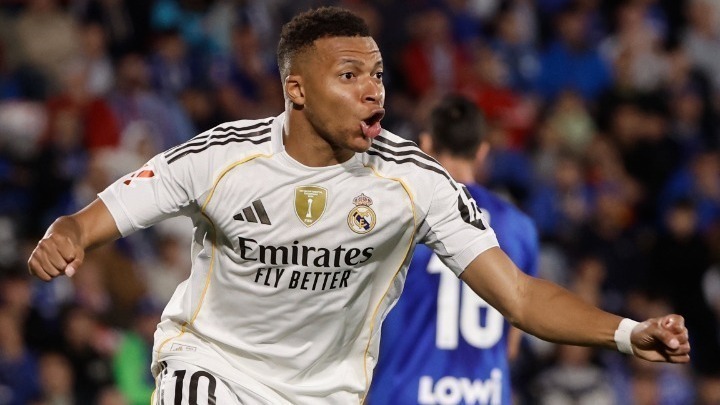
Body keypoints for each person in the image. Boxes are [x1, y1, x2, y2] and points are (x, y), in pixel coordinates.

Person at [27, 6, 690, 405]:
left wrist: (628, 333)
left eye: (377, 74)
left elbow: (518, 296)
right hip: (215, 371)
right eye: (349, 75)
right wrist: (67, 235)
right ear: (297, 90)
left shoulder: (414, 180)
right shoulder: (221, 158)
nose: (373, 90)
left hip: (330, 393)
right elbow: (94, 217)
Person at [368, 94, 539, 405]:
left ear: (425, 143)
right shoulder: (519, 228)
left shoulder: (399, 214)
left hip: (404, 393)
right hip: (484, 394)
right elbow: (512, 345)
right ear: (482, 151)